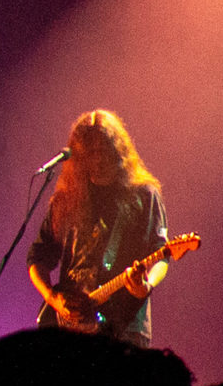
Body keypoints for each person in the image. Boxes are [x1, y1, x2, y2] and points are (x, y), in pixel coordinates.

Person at [27, 109, 169, 346]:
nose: (99, 159)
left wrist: (146, 286)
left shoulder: (143, 195)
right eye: (91, 152)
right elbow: (38, 258)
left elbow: (162, 255)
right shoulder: (67, 198)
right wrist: (54, 299)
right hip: (69, 324)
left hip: (123, 326)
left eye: (104, 151)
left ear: (118, 151)